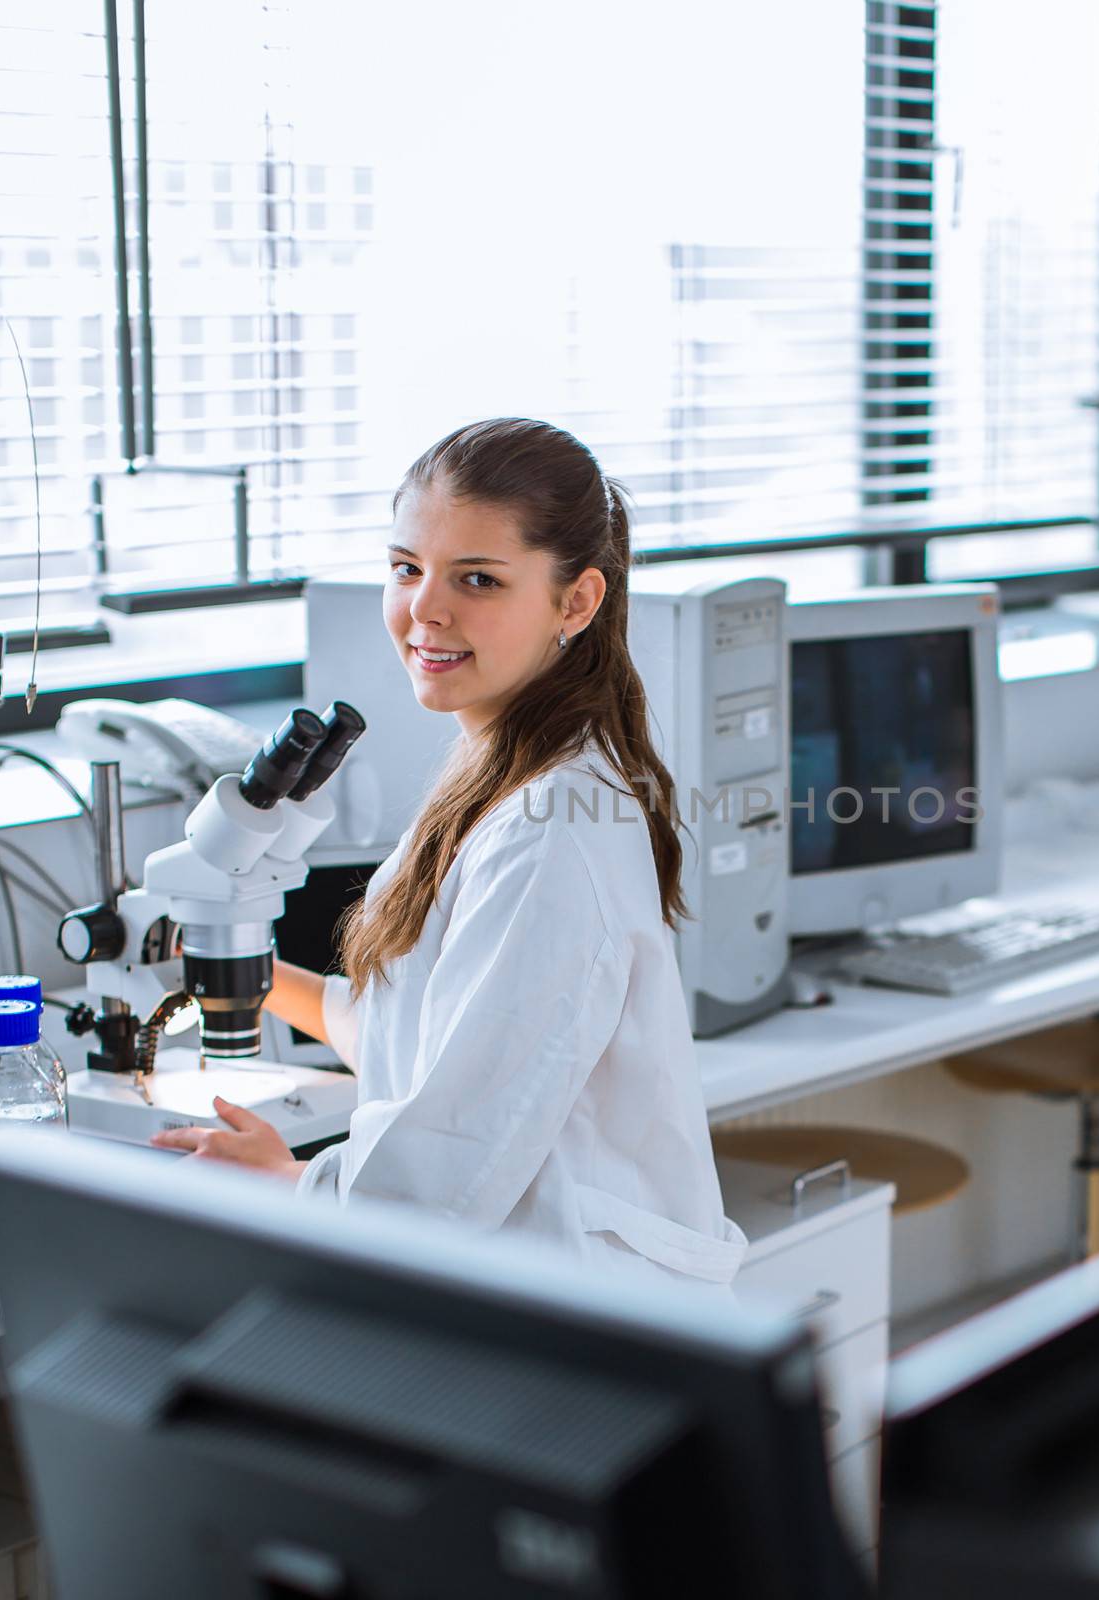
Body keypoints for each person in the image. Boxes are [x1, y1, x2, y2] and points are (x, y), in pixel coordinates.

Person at [153, 418, 747, 1297]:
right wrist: (254, 974)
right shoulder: (503, 764)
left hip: (586, 1318)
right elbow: (432, 1034)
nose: (424, 610)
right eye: (406, 568)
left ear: (576, 602)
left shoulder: (551, 829)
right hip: (543, 1294)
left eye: (477, 579)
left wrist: (288, 1183)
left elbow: (445, 1175)